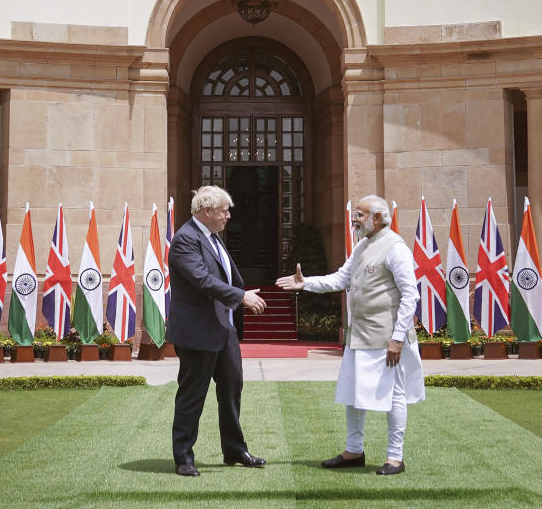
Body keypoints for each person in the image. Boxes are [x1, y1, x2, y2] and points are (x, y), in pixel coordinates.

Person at [276, 195, 424, 475]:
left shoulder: (395, 248)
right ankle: (353, 451)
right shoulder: (361, 247)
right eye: (355, 214)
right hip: (359, 336)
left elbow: (410, 295)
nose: (354, 219)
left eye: (360, 214)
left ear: (377, 218)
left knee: (394, 395)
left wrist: (397, 338)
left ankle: (395, 457)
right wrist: (305, 282)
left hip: (386, 339)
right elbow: (340, 279)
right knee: (353, 394)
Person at [167, 185, 268, 477]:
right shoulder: (186, 239)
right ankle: (183, 458)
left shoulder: (212, 237)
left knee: (232, 389)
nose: (228, 215)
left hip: (224, 330)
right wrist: (241, 296)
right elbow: (202, 280)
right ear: (206, 211)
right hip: (197, 333)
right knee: (192, 395)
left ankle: (234, 451)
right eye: (224, 210)